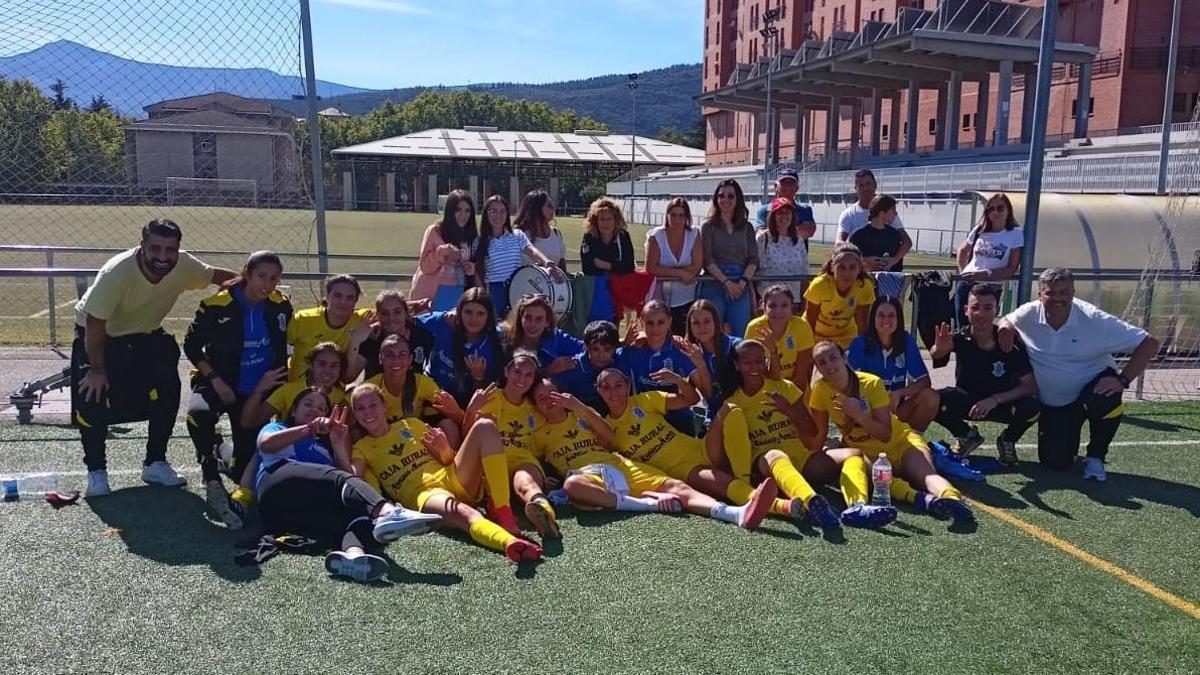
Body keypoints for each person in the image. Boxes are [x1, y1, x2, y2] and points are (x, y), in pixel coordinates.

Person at [73, 219, 237, 498]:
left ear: (178, 249)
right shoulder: (117, 273)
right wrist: (97, 369)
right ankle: (97, 472)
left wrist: (260, 287)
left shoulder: (184, 265)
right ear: (142, 245)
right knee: (93, 396)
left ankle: (155, 462)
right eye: (155, 249)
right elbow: (95, 323)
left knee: (168, 391)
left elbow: (221, 278)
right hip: (100, 336)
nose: (163, 257)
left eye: (170, 250)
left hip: (146, 335)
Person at [530, 379, 774, 529]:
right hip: (586, 476)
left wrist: (579, 407)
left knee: (679, 489)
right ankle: (649, 505)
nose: (548, 401)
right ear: (535, 405)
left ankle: (737, 514)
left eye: (552, 394)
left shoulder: (583, 413)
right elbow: (534, 463)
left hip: (620, 465)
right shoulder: (538, 433)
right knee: (573, 485)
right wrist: (546, 478)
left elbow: (610, 437)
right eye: (541, 398)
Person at [254, 390, 441, 582]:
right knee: (340, 482)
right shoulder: (278, 428)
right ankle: (388, 512)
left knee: (359, 515)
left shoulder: (323, 448)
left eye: (321, 408)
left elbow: (350, 480)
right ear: (294, 410)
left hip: (293, 518)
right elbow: (265, 445)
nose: (314, 410)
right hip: (275, 488)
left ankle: (353, 556)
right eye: (308, 404)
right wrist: (307, 428)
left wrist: (337, 443)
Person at [345, 383, 544, 563]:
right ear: (355, 415)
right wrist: (338, 443)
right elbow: (351, 478)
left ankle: (502, 510)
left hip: (451, 476)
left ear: (384, 406)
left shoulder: (411, 425)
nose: (367, 412)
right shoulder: (361, 448)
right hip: (426, 495)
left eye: (372, 405)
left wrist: (444, 448)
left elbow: (447, 459)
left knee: (485, 426)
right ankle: (510, 543)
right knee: (466, 514)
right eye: (360, 409)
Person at [998, 268, 1159, 480]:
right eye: (1050, 293)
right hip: (1053, 404)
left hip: (1090, 392)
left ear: (1073, 292)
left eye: (1064, 292)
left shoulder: (1095, 320)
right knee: (1055, 464)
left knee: (1104, 397)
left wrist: (1122, 380)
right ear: (1039, 295)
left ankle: (1096, 457)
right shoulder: (1029, 313)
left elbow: (1149, 343)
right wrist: (1005, 327)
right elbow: (1005, 320)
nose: (1057, 298)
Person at [724, 340, 897, 529]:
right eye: (747, 362)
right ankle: (812, 501)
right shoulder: (733, 401)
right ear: (737, 365)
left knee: (853, 454)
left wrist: (788, 409)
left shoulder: (784, 387)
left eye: (759, 361)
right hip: (766, 463)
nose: (754, 367)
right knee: (776, 454)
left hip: (802, 458)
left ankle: (857, 507)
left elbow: (811, 430)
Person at [183, 251, 293, 528]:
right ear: (247, 273)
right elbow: (192, 346)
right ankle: (210, 474)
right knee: (199, 413)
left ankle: (220, 449)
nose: (268, 284)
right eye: (261, 276)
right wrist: (217, 380)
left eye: (274, 278)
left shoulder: (281, 306)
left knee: (243, 471)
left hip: (256, 391)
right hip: (220, 382)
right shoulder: (216, 305)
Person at [808, 341, 974, 524]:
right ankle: (920, 500)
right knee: (865, 470)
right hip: (868, 456)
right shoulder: (820, 390)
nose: (829, 365)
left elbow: (885, 434)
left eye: (833, 358)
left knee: (925, 477)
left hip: (901, 443)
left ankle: (954, 502)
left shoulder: (871, 383)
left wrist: (859, 415)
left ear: (844, 358)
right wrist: (810, 458)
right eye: (822, 362)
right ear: (817, 369)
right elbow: (820, 433)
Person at [595, 368, 782, 528]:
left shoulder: (645, 400)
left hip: (701, 448)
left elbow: (691, 399)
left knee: (731, 410)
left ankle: (745, 480)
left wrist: (678, 380)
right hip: (684, 470)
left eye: (618, 385)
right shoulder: (606, 428)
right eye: (606, 387)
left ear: (627, 385)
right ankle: (782, 506)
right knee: (723, 483)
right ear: (599, 391)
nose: (614, 392)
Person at [444, 353, 559, 541]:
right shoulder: (490, 397)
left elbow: (550, 436)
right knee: (511, 477)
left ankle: (544, 513)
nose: (522, 378)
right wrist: (472, 409)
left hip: (522, 461)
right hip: (493, 463)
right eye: (517, 371)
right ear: (506, 371)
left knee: (526, 482)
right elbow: (468, 438)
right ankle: (507, 507)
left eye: (529, 375)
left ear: (534, 379)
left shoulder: (535, 407)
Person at [930, 283, 1040, 465]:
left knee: (1033, 407)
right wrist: (938, 349)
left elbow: (1029, 385)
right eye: (975, 307)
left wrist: (995, 400)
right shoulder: (960, 337)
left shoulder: (1008, 342)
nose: (981, 314)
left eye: (987, 308)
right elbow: (937, 354)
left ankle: (1008, 440)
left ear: (997, 310)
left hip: (1001, 404)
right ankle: (967, 436)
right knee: (931, 399)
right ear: (966, 310)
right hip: (969, 402)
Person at [847, 296, 940, 431]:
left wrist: (899, 393)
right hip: (868, 413)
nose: (886, 320)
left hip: (896, 411)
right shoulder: (860, 343)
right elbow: (845, 381)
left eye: (891, 316)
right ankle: (861, 437)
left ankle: (911, 442)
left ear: (899, 319)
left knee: (930, 397)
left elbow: (924, 381)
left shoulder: (906, 341)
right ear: (873, 318)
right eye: (881, 315)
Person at [620, 299, 711, 435]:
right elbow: (604, 359)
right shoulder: (633, 349)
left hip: (676, 416)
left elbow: (703, 393)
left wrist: (678, 380)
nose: (655, 329)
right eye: (650, 323)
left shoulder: (679, 349)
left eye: (661, 322)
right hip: (644, 416)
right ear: (642, 322)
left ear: (669, 322)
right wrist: (623, 345)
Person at [472, 195, 563, 318]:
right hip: (494, 292)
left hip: (518, 288)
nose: (498, 216)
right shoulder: (479, 241)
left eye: (502, 211)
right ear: (486, 214)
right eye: (493, 211)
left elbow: (532, 251)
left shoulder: (517, 235)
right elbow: (477, 272)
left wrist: (546, 262)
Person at [363, 334, 461, 447]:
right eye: (390, 355)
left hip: (416, 441)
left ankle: (451, 462)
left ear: (410, 359)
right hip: (383, 443)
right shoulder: (369, 388)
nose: (396, 360)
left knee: (449, 425)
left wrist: (459, 413)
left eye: (402, 355)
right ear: (380, 358)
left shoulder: (422, 382)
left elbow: (454, 414)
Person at [415, 287, 504, 407]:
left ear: (489, 316)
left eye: (480, 314)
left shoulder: (494, 341)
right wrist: (415, 305)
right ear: (459, 311)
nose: (473, 319)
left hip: (467, 402)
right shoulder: (444, 323)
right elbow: (403, 320)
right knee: (447, 424)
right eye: (468, 312)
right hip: (434, 394)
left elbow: (485, 395)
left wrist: (478, 377)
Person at [700, 178, 759, 337]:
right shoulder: (708, 227)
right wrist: (726, 282)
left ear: (738, 198)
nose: (725, 200)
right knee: (713, 333)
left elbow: (753, 259)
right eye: (721, 196)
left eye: (731, 196)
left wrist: (741, 283)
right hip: (714, 282)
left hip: (740, 284)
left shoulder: (747, 228)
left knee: (739, 334)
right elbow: (707, 259)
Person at [955, 193, 1023, 326]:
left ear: (1008, 210)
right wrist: (963, 272)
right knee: (963, 328)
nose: (995, 212)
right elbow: (962, 250)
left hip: (991, 287)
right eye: (990, 209)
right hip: (967, 285)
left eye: (1000, 208)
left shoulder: (1016, 233)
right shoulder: (980, 229)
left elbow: (1012, 268)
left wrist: (986, 274)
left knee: (983, 327)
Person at [286, 274, 371, 382]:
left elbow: (388, 311)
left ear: (356, 300)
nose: (343, 302)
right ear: (327, 295)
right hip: (297, 389)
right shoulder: (302, 319)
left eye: (350, 298)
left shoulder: (362, 319)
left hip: (332, 391)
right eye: (337, 296)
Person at [410, 189, 478, 311]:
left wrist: (471, 268)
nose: (463, 215)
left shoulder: (471, 236)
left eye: (467, 210)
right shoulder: (435, 231)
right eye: (458, 210)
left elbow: (473, 266)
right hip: (433, 293)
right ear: (450, 211)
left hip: (458, 292)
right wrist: (442, 252)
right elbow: (425, 266)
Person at [344, 289, 434, 381]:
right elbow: (349, 377)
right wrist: (355, 342)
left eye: (397, 312)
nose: (391, 318)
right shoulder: (372, 338)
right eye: (384, 313)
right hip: (376, 392)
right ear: (378, 316)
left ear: (406, 313)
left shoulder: (421, 336)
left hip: (413, 391)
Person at [644, 196, 704, 335]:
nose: (677, 219)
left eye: (681, 215)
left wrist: (665, 271)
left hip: (686, 297)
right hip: (660, 299)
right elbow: (651, 268)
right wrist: (681, 274)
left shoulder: (694, 234)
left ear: (687, 217)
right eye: (673, 215)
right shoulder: (657, 235)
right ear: (667, 216)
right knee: (658, 336)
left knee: (680, 338)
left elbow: (697, 265)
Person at [804, 243, 875, 349]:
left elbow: (862, 324)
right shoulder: (819, 285)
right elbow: (810, 321)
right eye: (841, 267)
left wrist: (863, 350)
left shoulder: (864, 286)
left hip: (847, 338)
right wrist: (809, 349)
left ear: (859, 268)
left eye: (852, 267)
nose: (847, 273)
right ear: (832, 267)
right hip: (817, 337)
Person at [745, 285, 815, 389]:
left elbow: (801, 376)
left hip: (794, 388)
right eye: (772, 306)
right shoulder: (754, 328)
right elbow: (756, 374)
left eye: (784, 305)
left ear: (792, 307)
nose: (778, 311)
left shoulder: (802, 326)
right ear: (764, 308)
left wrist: (789, 399)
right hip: (765, 387)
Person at [685, 300, 739, 428]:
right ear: (690, 327)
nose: (702, 327)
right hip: (715, 415)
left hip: (741, 410)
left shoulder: (736, 346)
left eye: (707, 321)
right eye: (696, 323)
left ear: (716, 322)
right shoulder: (692, 354)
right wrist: (701, 365)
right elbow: (708, 395)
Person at [501, 294, 584, 375]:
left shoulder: (555, 337)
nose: (533, 324)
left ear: (547, 321)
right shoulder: (504, 336)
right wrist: (549, 370)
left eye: (539, 319)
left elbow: (586, 349)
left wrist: (569, 363)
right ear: (520, 318)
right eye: (528, 318)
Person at [554, 320, 623, 413]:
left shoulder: (619, 360)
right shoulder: (572, 367)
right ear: (586, 347)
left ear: (615, 348)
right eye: (595, 349)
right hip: (577, 420)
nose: (601, 355)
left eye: (607, 349)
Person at [834, 169, 911, 252]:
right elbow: (839, 243)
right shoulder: (848, 214)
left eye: (868, 184)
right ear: (856, 188)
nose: (865, 188)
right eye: (861, 185)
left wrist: (891, 261)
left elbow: (906, 242)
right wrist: (862, 259)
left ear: (875, 185)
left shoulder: (887, 211)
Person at [755, 197, 809, 301]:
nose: (784, 216)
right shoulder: (763, 238)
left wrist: (803, 301)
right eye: (780, 212)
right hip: (768, 301)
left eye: (787, 212)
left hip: (793, 301)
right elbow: (754, 269)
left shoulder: (798, 241)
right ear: (773, 216)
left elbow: (804, 274)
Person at [754, 167, 817, 243]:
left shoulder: (804, 209)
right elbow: (761, 236)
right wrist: (792, 230)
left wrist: (775, 230)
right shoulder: (764, 210)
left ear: (797, 188)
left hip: (797, 253)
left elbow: (808, 231)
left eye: (791, 183)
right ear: (775, 186)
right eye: (784, 182)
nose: (788, 186)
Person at [848, 194, 909, 272]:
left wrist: (892, 261)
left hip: (888, 282)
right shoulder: (858, 235)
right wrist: (864, 262)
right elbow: (847, 261)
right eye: (893, 210)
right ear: (882, 212)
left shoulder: (894, 236)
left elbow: (897, 269)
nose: (896, 213)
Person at [580, 196, 635, 277]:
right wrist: (617, 266)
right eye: (602, 219)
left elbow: (629, 267)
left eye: (609, 219)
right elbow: (587, 268)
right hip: (596, 285)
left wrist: (603, 265)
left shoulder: (623, 236)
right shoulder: (589, 237)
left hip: (619, 285)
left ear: (615, 220)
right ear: (596, 221)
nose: (606, 223)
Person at [515, 189, 568, 271]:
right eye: (549, 205)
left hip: (553, 283)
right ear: (537, 208)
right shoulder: (520, 235)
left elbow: (562, 264)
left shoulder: (556, 234)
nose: (553, 208)